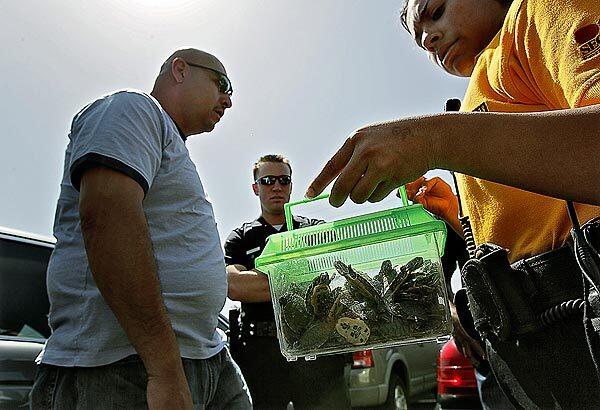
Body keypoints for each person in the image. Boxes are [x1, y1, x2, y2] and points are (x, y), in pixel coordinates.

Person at [306, 0, 600, 407]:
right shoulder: (479, 88)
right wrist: (458, 228)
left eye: (436, 11)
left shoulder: (540, 13)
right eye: (419, 39)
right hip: (525, 348)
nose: (428, 38)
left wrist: (433, 139)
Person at [30, 48, 251, 410]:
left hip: (208, 357)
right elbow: (105, 215)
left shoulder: (170, 146)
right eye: (222, 84)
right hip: (125, 369)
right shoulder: (133, 109)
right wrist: (164, 370)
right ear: (180, 70)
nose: (228, 99)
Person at [225, 154, 351, 409]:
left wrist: (261, 281)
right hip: (261, 353)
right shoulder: (241, 238)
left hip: (315, 346)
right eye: (268, 180)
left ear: (291, 186)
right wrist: (304, 278)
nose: (276, 187)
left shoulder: (314, 230)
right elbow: (234, 286)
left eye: (284, 180)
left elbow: (335, 275)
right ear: (255, 188)